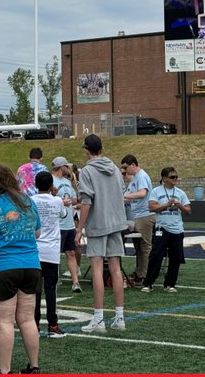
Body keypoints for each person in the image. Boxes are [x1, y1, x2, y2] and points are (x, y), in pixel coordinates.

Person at [0, 163, 42, 374]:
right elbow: (38, 233)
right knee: (27, 318)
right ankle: (34, 365)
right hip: (31, 265)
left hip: (3, 266)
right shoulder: (28, 201)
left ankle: (5, 370)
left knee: (5, 321)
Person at [77, 133, 128, 333]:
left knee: (97, 269)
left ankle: (98, 318)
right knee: (115, 269)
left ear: (87, 150)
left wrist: (79, 227)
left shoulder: (87, 171)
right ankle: (119, 317)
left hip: (98, 223)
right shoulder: (115, 168)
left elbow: (87, 201)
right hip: (116, 222)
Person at [140, 167, 191, 292]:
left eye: (176, 177)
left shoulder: (180, 193)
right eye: (172, 177)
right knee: (156, 255)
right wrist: (166, 205)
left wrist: (180, 206)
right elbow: (151, 207)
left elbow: (188, 211)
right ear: (164, 178)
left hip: (177, 229)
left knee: (176, 257)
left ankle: (170, 284)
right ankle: (148, 283)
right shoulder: (156, 191)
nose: (175, 179)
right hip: (161, 228)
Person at [31, 169, 68, 338]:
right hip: (52, 252)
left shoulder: (30, 201)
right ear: (51, 185)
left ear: (35, 185)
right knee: (51, 290)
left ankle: (35, 325)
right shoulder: (57, 201)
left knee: (35, 292)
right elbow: (64, 214)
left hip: (35, 252)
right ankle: (53, 325)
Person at [120, 154, 154, 286]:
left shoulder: (142, 176)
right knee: (138, 247)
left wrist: (126, 195)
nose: (124, 170)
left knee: (144, 246)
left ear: (133, 165)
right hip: (138, 214)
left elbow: (142, 193)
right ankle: (139, 272)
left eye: (125, 167)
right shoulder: (135, 179)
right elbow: (130, 197)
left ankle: (144, 275)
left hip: (144, 214)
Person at [52, 157, 82, 290]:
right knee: (55, 253)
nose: (68, 169)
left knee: (70, 252)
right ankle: (55, 278)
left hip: (69, 223)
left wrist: (80, 198)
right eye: (66, 166)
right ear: (61, 167)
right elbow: (48, 200)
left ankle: (75, 282)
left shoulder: (67, 182)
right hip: (58, 223)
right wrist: (61, 202)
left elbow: (73, 200)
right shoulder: (51, 180)